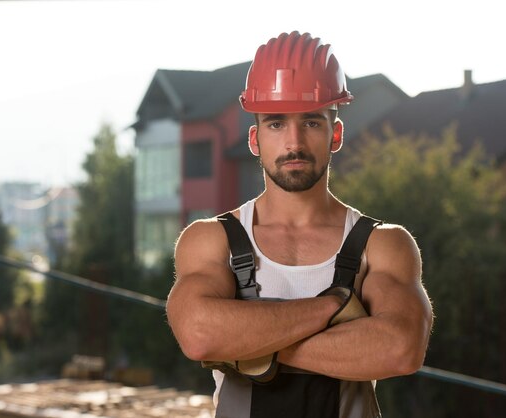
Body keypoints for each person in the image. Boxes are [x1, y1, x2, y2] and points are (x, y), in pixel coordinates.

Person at [166, 31, 433, 418]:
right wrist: (335, 306)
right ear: (255, 140)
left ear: (335, 134)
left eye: (311, 122)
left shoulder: (383, 245)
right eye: (276, 124)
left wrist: (247, 347)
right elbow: (200, 335)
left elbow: (400, 350)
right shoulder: (211, 240)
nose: (294, 142)